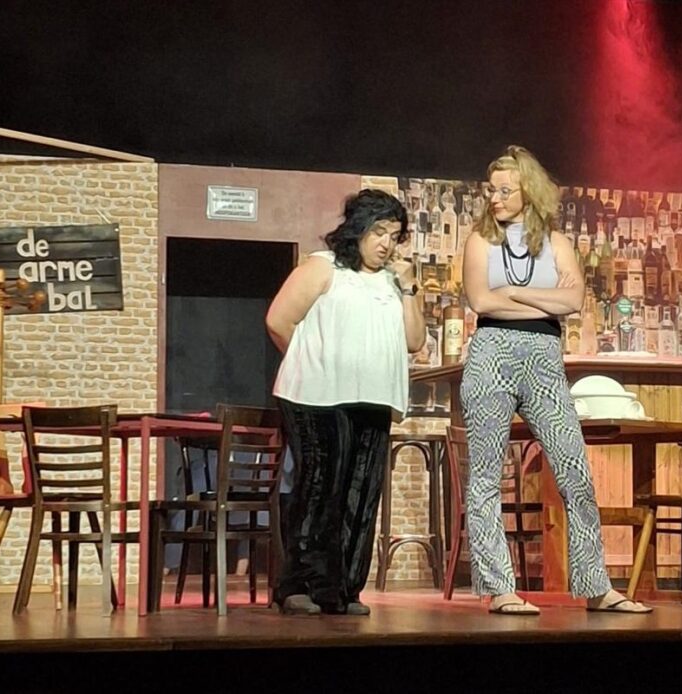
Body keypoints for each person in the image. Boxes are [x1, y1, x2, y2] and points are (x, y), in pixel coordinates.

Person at [459, 145, 651, 615]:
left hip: (545, 358)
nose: (495, 198)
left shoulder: (557, 244)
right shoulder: (480, 241)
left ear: (529, 191)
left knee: (575, 471)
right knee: (485, 476)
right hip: (492, 352)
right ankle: (500, 588)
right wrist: (540, 297)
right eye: (491, 190)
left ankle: (596, 586)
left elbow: (572, 302)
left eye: (505, 190)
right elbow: (482, 301)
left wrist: (514, 290)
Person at [265, 189, 425, 615]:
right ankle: (298, 584)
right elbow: (279, 320)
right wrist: (312, 362)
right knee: (319, 487)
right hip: (316, 397)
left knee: (360, 493)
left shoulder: (394, 282)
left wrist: (410, 288)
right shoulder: (323, 267)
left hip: (373, 398)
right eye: (379, 231)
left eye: (394, 234)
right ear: (358, 229)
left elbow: (414, 341)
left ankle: (342, 589)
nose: (386, 243)